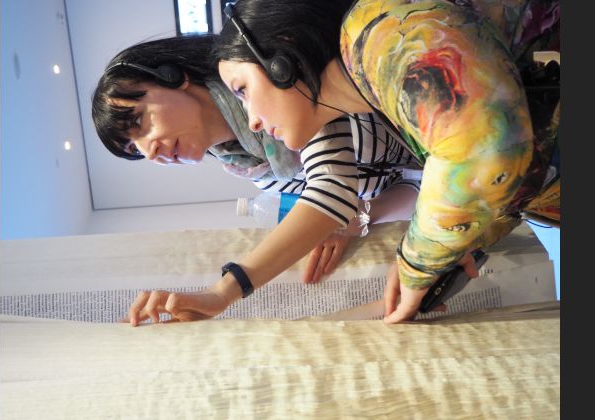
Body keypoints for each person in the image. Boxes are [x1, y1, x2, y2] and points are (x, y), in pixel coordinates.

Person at [211, 0, 560, 323]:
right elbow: (509, 161)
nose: (252, 120)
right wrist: (457, 246)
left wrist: (418, 263)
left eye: (243, 90)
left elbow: (484, 153)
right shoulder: (375, 91)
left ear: (282, 61)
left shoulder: (378, 35)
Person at [91, 34, 421, 324]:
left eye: (140, 122)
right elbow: (405, 185)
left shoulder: (270, 80)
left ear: (171, 76)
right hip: (441, 170)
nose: (150, 151)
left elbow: (330, 191)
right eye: (135, 150)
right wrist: (359, 216)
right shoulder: (257, 172)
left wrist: (222, 292)